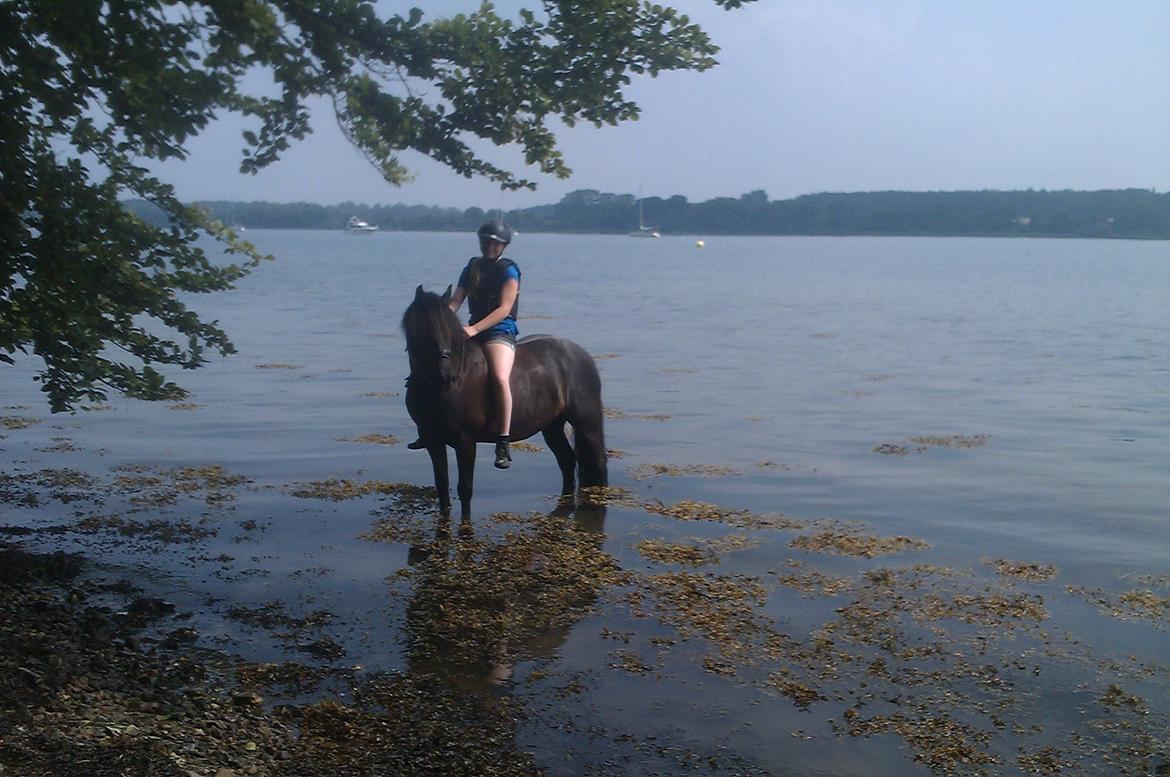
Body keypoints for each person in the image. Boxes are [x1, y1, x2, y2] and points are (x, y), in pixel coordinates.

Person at [407, 219, 521, 469]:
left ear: (503, 246)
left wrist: (475, 328)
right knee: (433, 363)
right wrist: (441, 320)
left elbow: (504, 309)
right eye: (485, 242)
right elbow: (457, 299)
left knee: (500, 377)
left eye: (494, 243)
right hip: (470, 331)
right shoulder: (472, 267)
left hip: (499, 332)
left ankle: (503, 440)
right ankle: (428, 427)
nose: (489, 246)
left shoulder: (510, 271)